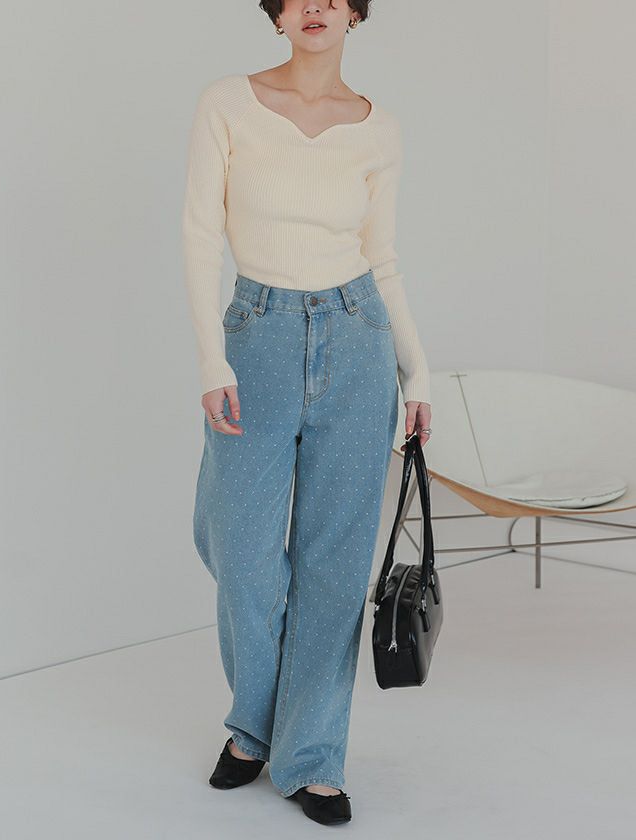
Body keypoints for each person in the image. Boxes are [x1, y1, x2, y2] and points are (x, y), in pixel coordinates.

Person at [181, 0, 432, 826]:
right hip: (256, 337)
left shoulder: (379, 128)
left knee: (333, 564)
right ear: (278, 12)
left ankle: (311, 755)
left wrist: (418, 374)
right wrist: (211, 360)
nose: (315, 5)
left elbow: (382, 258)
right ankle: (256, 723)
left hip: (359, 339)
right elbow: (199, 235)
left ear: (354, 12)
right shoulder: (228, 102)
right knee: (239, 549)